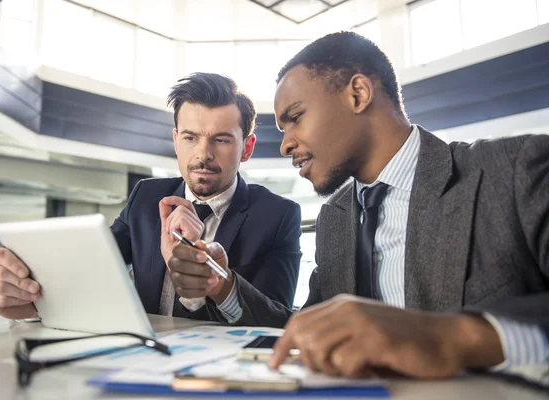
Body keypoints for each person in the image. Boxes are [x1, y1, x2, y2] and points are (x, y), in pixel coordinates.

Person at [172, 32, 549, 376]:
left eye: (296, 118)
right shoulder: (335, 218)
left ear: (358, 94)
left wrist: (455, 338)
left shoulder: (514, 170)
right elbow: (306, 330)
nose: (285, 144)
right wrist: (221, 286)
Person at [0, 73, 302, 325]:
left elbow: (276, 321)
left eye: (220, 139)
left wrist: (219, 284)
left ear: (246, 147)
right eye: (190, 137)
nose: (203, 154)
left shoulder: (278, 215)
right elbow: (90, 268)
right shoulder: (146, 197)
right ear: (177, 141)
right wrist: (25, 294)